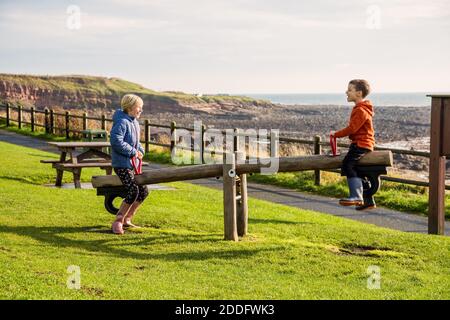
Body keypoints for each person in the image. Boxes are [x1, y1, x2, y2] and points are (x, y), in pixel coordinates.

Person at [331, 79, 375, 210]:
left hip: (361, 144)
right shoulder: (362, 109)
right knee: (359, 170)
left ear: (359, 93)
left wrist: (336, 134)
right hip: (363, 144)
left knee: (347, 164)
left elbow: (352, 129)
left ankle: (356, 196)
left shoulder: (360, 110)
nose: (346, 92)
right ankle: (368, 201)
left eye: (350, 90)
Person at [110, 94, 149, 234]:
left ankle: (127, 219)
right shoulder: (122, 122)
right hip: (121, 164)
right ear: (131, 107)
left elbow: (136, 142)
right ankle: (118, 221)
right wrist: (133, 152)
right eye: (139, 107)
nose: (140, 110)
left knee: (143, 191)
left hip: (131, 164)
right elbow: (116, 142)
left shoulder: (134, 122)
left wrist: (140, 150)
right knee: (133, 190)